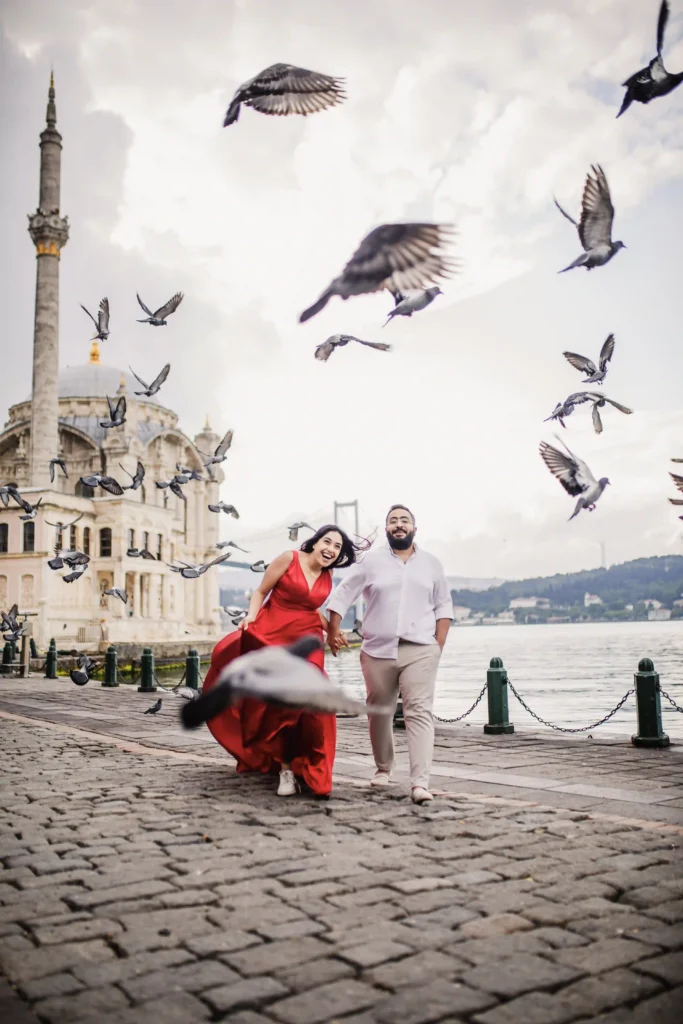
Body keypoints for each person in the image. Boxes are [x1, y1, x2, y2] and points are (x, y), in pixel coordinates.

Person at [201, 524, 363, 798]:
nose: (331, 550)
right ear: (314, 542)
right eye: (327, 542)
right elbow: (261, 592)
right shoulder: (289, 558)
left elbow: (312, 609)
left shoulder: (328, 572)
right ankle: (286, 769)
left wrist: (332, 630)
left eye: (337, 547)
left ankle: (315, 770)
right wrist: (251, 617)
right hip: (273, 632)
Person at [326, 504, 453, 804]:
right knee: (379, 712)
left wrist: (438, 646)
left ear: (414, 528)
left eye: (404, 521)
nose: (399, 525)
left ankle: (420, 783)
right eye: (393, 521)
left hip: (420, 649)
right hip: (377, 651)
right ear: (387, 529)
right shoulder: (371, 562)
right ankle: (384, 767)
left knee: (419, 712)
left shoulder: (432, 564)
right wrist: (332, 630)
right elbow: (343, 594)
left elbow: (444, 606)